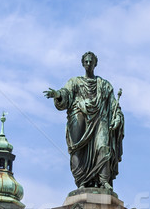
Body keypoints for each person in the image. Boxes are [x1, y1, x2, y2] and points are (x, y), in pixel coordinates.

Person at [44, 51, 124, 190]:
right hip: (79, 115)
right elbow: (66, 93)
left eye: (91, 62)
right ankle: (81, 181)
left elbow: (113, 105)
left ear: (95, 64)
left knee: (103, 147)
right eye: (86, 61)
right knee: (77, 149)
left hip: (100, 119)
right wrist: (58, 94)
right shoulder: (74, 82)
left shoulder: (104, 85)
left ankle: (103, 180)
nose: (88, 64)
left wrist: (117, 117)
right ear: (82, 63)